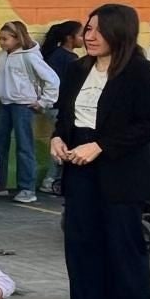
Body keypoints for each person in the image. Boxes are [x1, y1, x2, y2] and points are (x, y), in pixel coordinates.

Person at [53, 4, 150, 299]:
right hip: (78, 164)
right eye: (87, 28)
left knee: (124, 246)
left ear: (119, 32)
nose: (89, 35)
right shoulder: (76, 69)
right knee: (81, 244)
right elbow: (65, 116)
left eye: (98, 30)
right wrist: (58, 138)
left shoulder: (140, 72)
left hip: (119, 168)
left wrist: (101, 146)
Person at [0, 20, 60, 204]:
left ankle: (27, 188)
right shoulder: (2, 55)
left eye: (5, 39)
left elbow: (52, 80)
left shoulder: (30, 57)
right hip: (5, 103)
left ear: (17, 38)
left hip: (23, 105)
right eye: (0, 39)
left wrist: (44, 102)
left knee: (24, 146)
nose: (2, 42)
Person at [39, 20, 84, 196]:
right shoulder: (69, 59)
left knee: (60, 143)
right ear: (69, 38)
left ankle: (54, 180)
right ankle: (51, 180)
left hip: (54, 105)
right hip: (60, 106)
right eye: (80, 35)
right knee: (62, 145)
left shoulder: (56, 55)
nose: (85, 38)